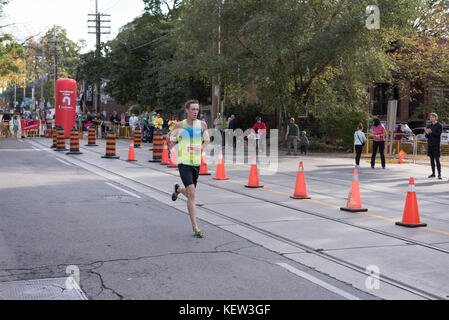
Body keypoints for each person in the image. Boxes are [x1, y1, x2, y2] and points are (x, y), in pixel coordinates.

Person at [168, 100, 210, 238]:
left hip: (196, 164)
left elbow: (207, 140)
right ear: (187, 110)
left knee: (190, 193)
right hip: (184, 163)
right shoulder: (180, 125)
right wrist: (172, 140)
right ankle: (195, 227)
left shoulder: (202, 125)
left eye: (197, 109)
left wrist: (201, 149)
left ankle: (178, 190)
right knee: (192, 193)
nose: (195, 112)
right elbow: (169, 136)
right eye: (192, 109)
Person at [425, 112, 443, 179]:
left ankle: (439, 174)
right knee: (431, 160)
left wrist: (431, 132)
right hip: (430, 145)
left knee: (437, 160)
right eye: (430, 117)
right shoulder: (429, 126)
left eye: (432, 117)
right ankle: (433, 173)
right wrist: (427, 133)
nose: (431, 118)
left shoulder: (439, 125)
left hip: (436, 145)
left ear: (435, 118)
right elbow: (426, 136)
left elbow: (438, 135)